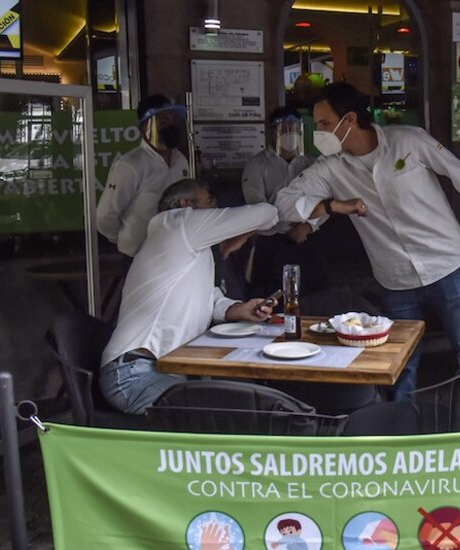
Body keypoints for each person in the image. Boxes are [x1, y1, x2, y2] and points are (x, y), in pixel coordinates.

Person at [275, 83, 460, 428]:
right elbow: (284, 203)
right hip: (394, 279)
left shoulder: (408, 140)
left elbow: (459, 174)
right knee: (398, 366)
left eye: (323, 124)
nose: (318, 132)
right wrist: (333, 206)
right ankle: (400, 445)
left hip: (449, 266)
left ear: (349, 120)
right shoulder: (330, 168)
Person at [100, 179, 278, 414]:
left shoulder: (184, 243)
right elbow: (267, 213)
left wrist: (239, 309)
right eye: (210, 201)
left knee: (241, 406)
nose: (216, 207)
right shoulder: (178, 224)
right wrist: (242, 231)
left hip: (159, 371)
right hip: (134, 374)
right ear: (185, 204)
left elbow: (210, 297)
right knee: (223, 416)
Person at [242, 106, 323, 297]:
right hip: (271, 241)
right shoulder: (257, 164)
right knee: (271, 296)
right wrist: (286, 229)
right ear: (272, 131)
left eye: (295, 128)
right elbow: (257, 206)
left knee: (312, 295)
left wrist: (308, 226)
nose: (290, 133)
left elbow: (323, 200)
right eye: (285, 128)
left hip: (306, 237)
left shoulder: (311, 163)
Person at [96, 94, 189, 259]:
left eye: (173, 121)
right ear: (144, 127)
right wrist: (125, 239)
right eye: (162, 122)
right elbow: (105, 216)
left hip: (175, 253)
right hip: (140, 256)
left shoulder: (181, 160)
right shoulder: (131, 165)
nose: (170, 126)